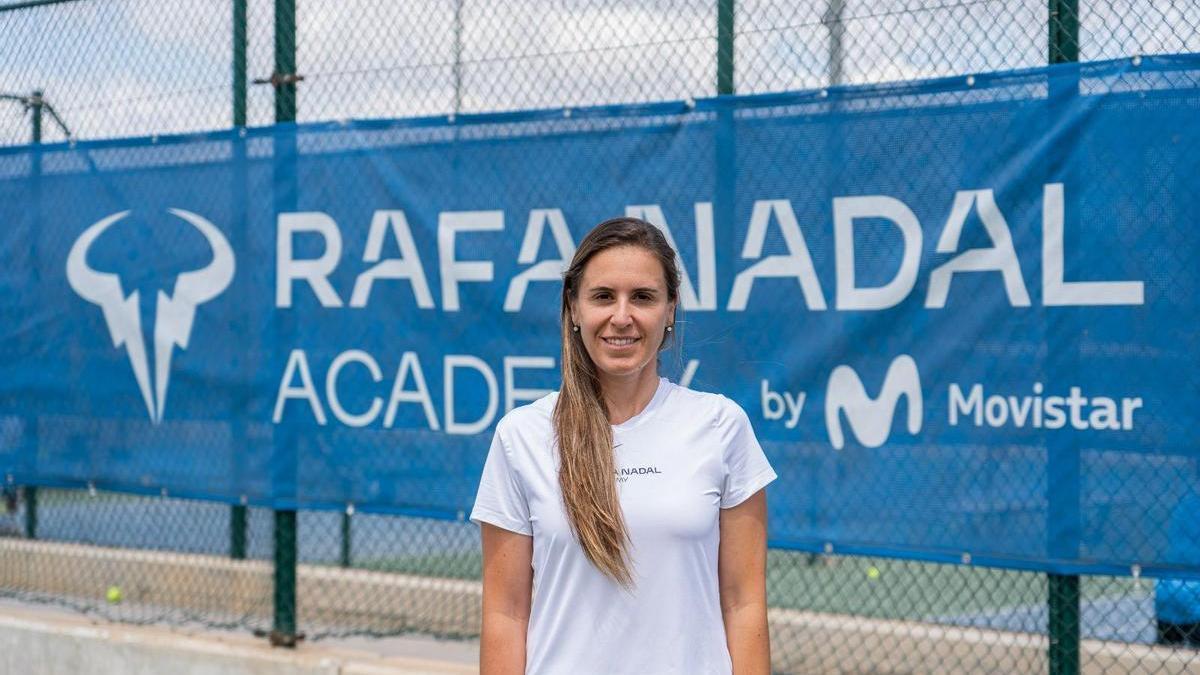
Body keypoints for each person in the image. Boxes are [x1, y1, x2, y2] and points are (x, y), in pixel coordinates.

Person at [470, 217, 777, 674]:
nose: (621, 316)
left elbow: (744, 603)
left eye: (643, 297)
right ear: (573, 308)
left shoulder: (721, 425)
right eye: (602, 296)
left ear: (670, 309)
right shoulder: (521, 436)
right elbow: (505, 614)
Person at [1155, 488, 1200, 648]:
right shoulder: (1188, 505)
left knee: (1164, 657)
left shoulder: (1185, 504)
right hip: (1192, 593)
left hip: (1167, 591)